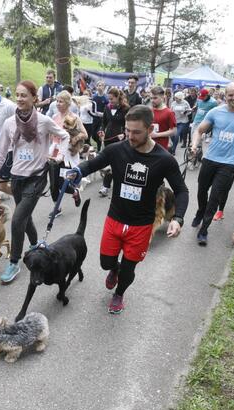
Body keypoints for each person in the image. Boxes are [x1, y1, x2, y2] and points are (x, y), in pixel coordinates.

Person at [67, 105, 189, 314]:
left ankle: (119, 293)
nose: (130, 136)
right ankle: (114, 270)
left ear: (150, 130)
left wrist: (178, 218)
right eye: (128, 130)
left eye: (137, 132)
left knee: (129, 269)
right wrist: (77, 171)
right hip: (115, 218)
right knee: (106, 263)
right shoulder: (117, 150)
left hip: (141, 225)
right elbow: (94, 164)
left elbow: (181, 191)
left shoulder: (164, 159)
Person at [0, 80, 70, 284]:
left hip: (37, 178)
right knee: (25, 216)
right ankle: (35, 245)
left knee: (17, 219)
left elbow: (64, 136)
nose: (20, 99)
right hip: (17, 179)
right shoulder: (9, 124)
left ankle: (13, 263)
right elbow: (1, 153)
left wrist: (58, 157)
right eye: (17, 95)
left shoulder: (43, 121)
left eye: (24, 95)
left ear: (34, 98)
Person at [189, 82, 234, 246]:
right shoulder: (215, 112)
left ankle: (204, 230)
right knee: (202, 191)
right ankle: (200, 211)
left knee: (215, 197)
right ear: (225, 95)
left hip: (229, 163)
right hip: (210, 159)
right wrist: (194, 145)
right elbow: (199, 130)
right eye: (231, 95)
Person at [48, 90, 87, 213]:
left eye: (61, 101)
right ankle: (57, 208)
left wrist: (75, 138)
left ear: (68, 103)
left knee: (61, 183)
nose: (58, 104)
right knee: (53, 184)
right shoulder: (54, 117)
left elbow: (84, 134)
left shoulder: (74, 118)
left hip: (67, 153)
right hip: (54, 151)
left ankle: (75, 191)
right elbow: (51, 135)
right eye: (57, 101)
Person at [97, 88, 130, 197]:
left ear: (117, 97)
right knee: (109, 162)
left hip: (120, 139)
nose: (110, 101)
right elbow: (104, 122)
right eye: (108, 99)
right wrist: (101, 130)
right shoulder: (107, 107)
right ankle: (106, 186)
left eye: (112, 99)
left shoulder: (125, 108)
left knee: (119, 163)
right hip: (108, 138)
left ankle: (120, 185)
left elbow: (129, 124)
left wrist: (125, 135)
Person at [148, 86, 176, 152]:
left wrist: (157, 135)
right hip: (148, 146)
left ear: (162, 97)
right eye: (151, 98)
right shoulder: (149, 110)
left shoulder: (169, 112)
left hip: (161, 148)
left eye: (155, 98)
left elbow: (174, 131)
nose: (152, 100)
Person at [90, 80, 108, 151]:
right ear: (96, 87)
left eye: (101, 85)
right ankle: (98, 146)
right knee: (93, 135)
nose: (99, 87)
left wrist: (103, 114)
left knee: (99, 133)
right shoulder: (94, 97)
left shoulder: (106, 98)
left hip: (102, 119)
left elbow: (108, 109)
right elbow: (91, 107)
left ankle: (99, 149)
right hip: (94, 118)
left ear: (104, 87)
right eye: (98, 85)